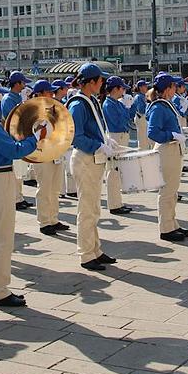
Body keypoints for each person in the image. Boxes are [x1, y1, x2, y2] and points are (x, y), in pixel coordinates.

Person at [0, 77, 47, 308]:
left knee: (2, 237)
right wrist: (34, 139)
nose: (0, 98)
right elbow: (12, 150)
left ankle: (0, 288)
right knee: (2, 239)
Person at [68, 63, 123, 271]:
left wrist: (106, 140)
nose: (103, 84)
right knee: (87, 209)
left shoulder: (91, 101)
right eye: (101, 80)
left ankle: (95, 249)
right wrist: (98, 146)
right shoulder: (78, 104)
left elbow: (95, 129)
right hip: (85, 158)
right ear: (90, 82)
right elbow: (76, 137)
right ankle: (85, 254)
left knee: (93, 208)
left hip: (93, 158)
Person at [147, 73, 188, 240]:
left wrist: (181, 132)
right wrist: (172, 136)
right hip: (166, 150)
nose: (177, 89)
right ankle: (165, 228)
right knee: (167, 191)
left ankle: (172, 223)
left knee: (172, 191)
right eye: (174, 86)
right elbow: (152, 133)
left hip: (173, 149)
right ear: (167, 88)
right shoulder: (159, 107)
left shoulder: (167, 104)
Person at [28, 80, 67, 236]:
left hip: (55, 152)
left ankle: (53, 219)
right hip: (41, 153)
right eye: (48, 92)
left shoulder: (54, 108)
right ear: (39, 93)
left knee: (55, 188)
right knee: (44, 188)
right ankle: (44, 222)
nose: (51, 94)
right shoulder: (31, 110)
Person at [0, 71, 32, 211]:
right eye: (23, 82)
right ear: (17, 83)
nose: (24, 85)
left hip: (20, 136)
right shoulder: (8, 99)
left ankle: (19, 197)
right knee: (15, 171)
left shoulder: (17, 97)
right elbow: (12, 119)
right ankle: (16, 199)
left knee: (19, 171)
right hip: (13, 137)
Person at [101, 75, 133, 216]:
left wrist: (128, 107)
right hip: (115, 136)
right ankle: (114, 204)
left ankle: (118, 202)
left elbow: (128, 119)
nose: (123, 92)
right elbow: (117, 122)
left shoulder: (117, 103)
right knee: (113, 171)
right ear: (115, 89)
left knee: (117, 171)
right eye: (122, 88)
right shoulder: (108, 104)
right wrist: (126, 109)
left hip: (121, 135)